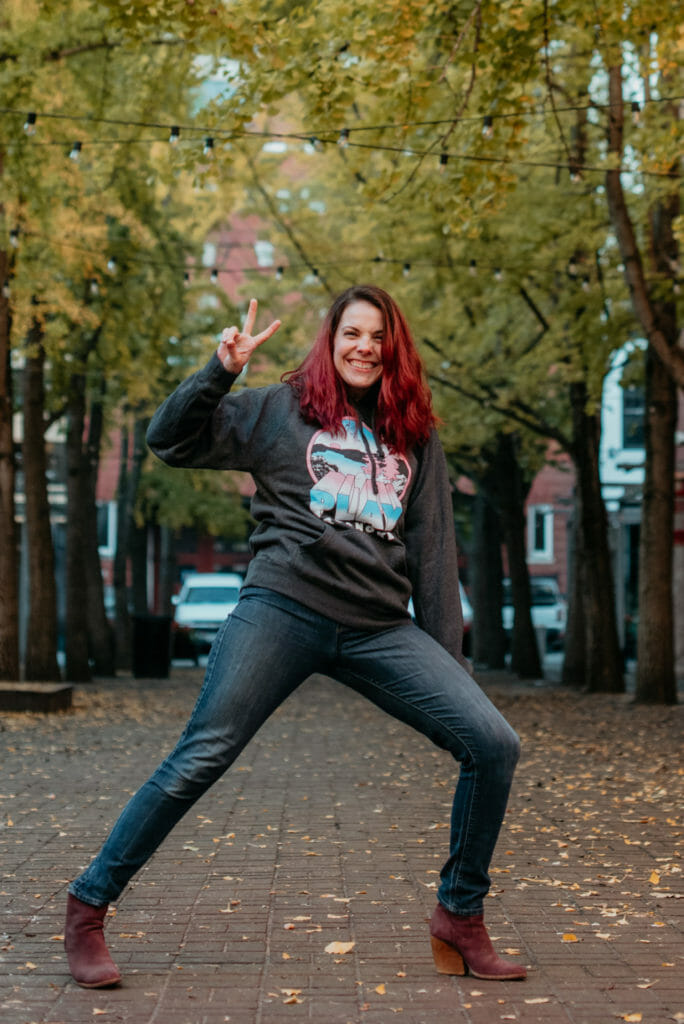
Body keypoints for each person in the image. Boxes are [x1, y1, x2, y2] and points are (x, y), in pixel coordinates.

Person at [64, 285, 526, 987]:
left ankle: (460, 916)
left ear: (392, 348)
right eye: (351, 333)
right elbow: (168, 440)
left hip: (377, 625)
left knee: (493, 743)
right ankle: (88, 905)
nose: (364, 347)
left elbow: (433, 555)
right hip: (284, 606)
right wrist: (219, 373)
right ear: (330, 340)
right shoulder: (281, 408)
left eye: (377, 336)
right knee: (202, 755)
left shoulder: (415, 433)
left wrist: (451, 672)